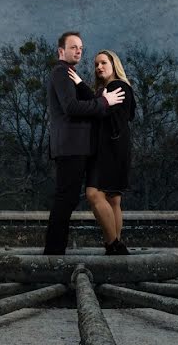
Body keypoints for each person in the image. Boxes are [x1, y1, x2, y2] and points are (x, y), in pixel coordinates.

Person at [43, 32, 125, 255]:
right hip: (71, 147)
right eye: (73, 47)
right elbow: (71, 108)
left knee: (67, 200)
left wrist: (94, 97)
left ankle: (54, 252)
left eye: (80, 48)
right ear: (62, 51)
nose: (79, 51)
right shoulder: (61, 72)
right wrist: (104, 102)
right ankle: (53, 253)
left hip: (74, 147)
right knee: (65, 200)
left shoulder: (68, 73)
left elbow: (82, 103)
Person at [67, 49, 135, 255]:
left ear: (114, 65)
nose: (99, 67)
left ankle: (114, 244)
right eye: (96, 64)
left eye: (103, 63)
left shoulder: (118, 86)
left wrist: (79, 83)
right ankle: (113, 245)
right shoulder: (117, 88)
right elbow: (126, 115)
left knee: (93, 193)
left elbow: (101, 109)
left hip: (108, 150)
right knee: (113, 198)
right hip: (117, 148)